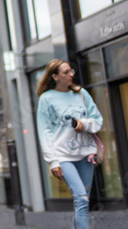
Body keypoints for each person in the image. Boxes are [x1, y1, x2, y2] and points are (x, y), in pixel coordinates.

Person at [36, 59, 103, 229]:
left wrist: (84, 124)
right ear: (55, 76)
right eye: (66, 72)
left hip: (85, 155)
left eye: (71, 71)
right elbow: (45, 131)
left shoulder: (81, 93)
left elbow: (97, 120)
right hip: (63, 156)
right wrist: (53, 160)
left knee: (83, 201)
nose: (71, 75)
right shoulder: (46, 98)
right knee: (80, 197)